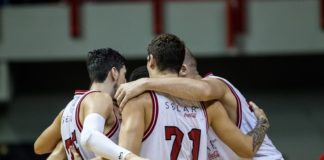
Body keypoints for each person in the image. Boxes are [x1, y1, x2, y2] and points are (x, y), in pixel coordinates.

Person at [115, 48, 283, 159]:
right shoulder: (188, 111)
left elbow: (204, 90)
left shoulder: (215, 85)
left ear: (183, 70)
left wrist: (145, 82)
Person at [34, 48, 146, 160]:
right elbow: (89, 136)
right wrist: (129, 157)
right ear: (114, 73)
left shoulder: (67, 110)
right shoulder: (101, 98)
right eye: (124, 75)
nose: (125, 82)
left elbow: (39, 147)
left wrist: (64, 144)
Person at [118, 33, 209, 160]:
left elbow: (124, 155)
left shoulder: (139, 102)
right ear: (180, 64)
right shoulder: (205, 104)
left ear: (151, 60)